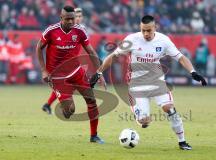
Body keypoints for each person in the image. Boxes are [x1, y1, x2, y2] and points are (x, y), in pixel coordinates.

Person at [90, 15, 207, 150]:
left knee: (169, 108)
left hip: (157, 82)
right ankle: (142, 118)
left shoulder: (164, 41)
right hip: (137, 85)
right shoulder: (132, 40)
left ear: (155, 28)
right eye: (143, 30)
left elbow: (180, 57)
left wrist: (193, 72)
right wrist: (98, 72)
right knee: (144, 122)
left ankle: (182, 141)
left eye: (149, 30)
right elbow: (113, 56)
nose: (146, 33)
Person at [36, 6, 105, 144]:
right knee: (69, 111)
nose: (70, 22)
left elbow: (91, 51)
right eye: (67, 19)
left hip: (76, 72)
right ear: (61, 18)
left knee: (91, 100)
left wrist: (100, 72)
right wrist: (44, 70)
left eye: (72, 19)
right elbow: (39, 48)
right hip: (57, 77)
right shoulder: (51, 31)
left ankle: (94, 136)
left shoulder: (79, 31)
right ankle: (64, 103)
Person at [42, 7, 85, 115]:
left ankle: (48, 104)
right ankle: (55, 104)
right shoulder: (58, 30)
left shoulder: (81, 29)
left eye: (80, 16)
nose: (78, 18)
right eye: (77, 16)